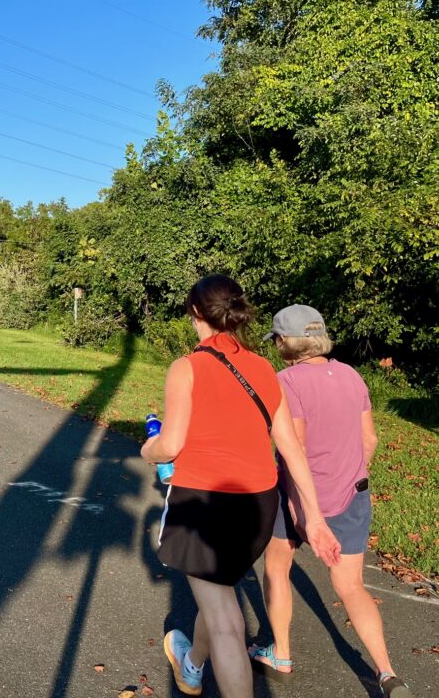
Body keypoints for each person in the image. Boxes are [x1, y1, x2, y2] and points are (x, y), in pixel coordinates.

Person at [141, 275, 341, 698]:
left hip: (205, 502)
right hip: (259, 505)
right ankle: (192, 663)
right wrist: (316, 519)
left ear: (196, 312)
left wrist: (148, 450)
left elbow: (171, 444)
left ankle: (199, 668)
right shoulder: (265, 368)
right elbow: (290, 448)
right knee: (220, 597)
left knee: (228, 623)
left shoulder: (187, 367)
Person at [249, 304, 414, 697]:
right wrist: (347, 475)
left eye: (276, 339)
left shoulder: (285, 381)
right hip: (352, 495)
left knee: (277, 567)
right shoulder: (351, 375)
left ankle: (282, 654)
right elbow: (369, 440)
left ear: (286, 341)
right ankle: (388, 673)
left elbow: (296, 449)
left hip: (300, 497)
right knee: (352, 587)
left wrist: (302, 509)